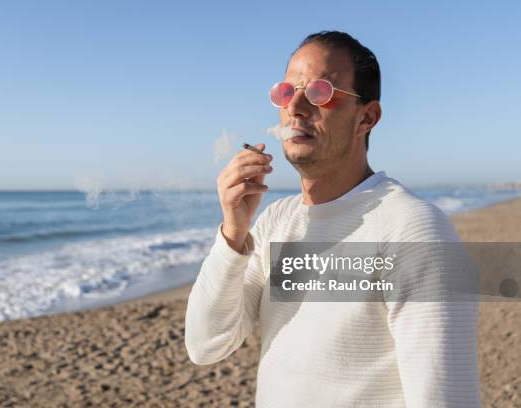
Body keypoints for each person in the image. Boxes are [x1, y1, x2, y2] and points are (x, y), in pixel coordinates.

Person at [184, 31, 480, 407]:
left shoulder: (415, 231)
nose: (297, 107)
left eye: (321, 92)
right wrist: (232, 234)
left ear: (366, 118)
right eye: (287, 92)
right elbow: (206, 345)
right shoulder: (276, 221)